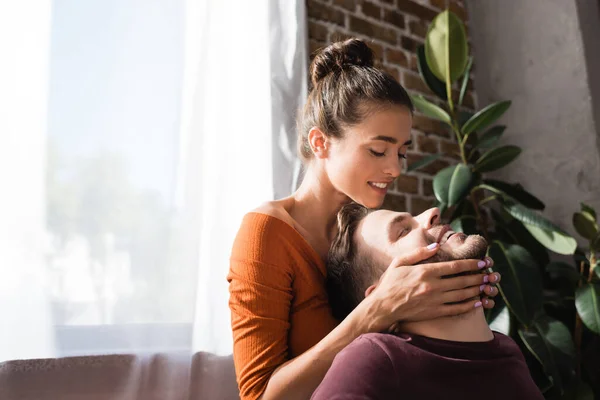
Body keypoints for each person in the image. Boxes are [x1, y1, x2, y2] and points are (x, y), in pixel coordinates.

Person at [227, 38, 502, 400]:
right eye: (378, 150)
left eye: (401, 153)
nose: (393, 169)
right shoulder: (266, 234)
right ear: (321, 142)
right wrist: (377, 309)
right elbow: (260, 396)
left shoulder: (368, 230)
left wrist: (460, 288)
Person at [311, 204, 543, 400]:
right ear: (382, 293)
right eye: (402, 232)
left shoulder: (507, 352)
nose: (433, 211)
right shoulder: (373, 360)